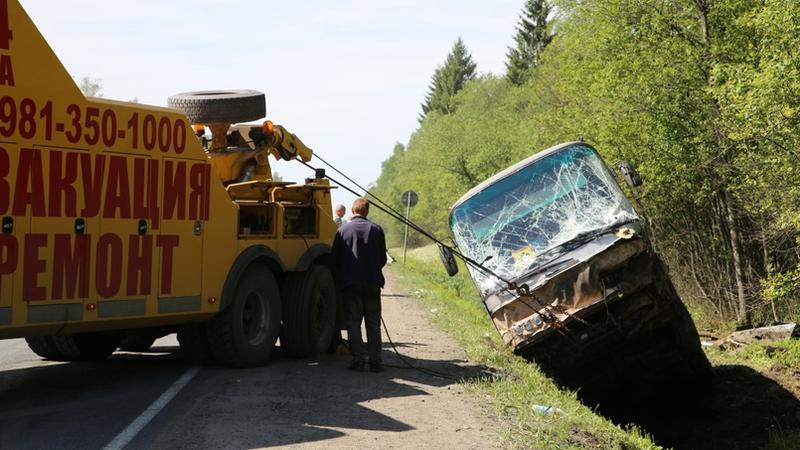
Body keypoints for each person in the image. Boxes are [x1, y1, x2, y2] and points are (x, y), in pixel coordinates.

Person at [330, 198, 387, 372]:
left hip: (351, 284)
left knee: (353, 323)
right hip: (372, 283)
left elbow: (335, 259)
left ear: (352, 210)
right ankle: (375, 362)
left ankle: (358, 360)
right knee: (373, 323)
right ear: (366, 211)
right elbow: (382, 259)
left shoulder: (342, 230)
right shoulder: (377, 230)